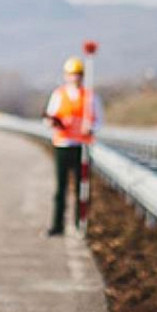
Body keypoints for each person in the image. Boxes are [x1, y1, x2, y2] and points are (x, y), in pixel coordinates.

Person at [42, 56, 103, 237]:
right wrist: (52, 123)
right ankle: (57, 225)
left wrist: (90, 127)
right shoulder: (58, 94)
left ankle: (80, 224)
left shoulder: (90, 97)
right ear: (66, 75)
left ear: (82, 76)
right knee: (60, 188)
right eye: (71, 74)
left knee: (81, 187)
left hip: (82, 147)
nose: (74, 78)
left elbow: (99, 121)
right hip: (62, 144)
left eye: (77, 74)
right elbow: (49, 118)